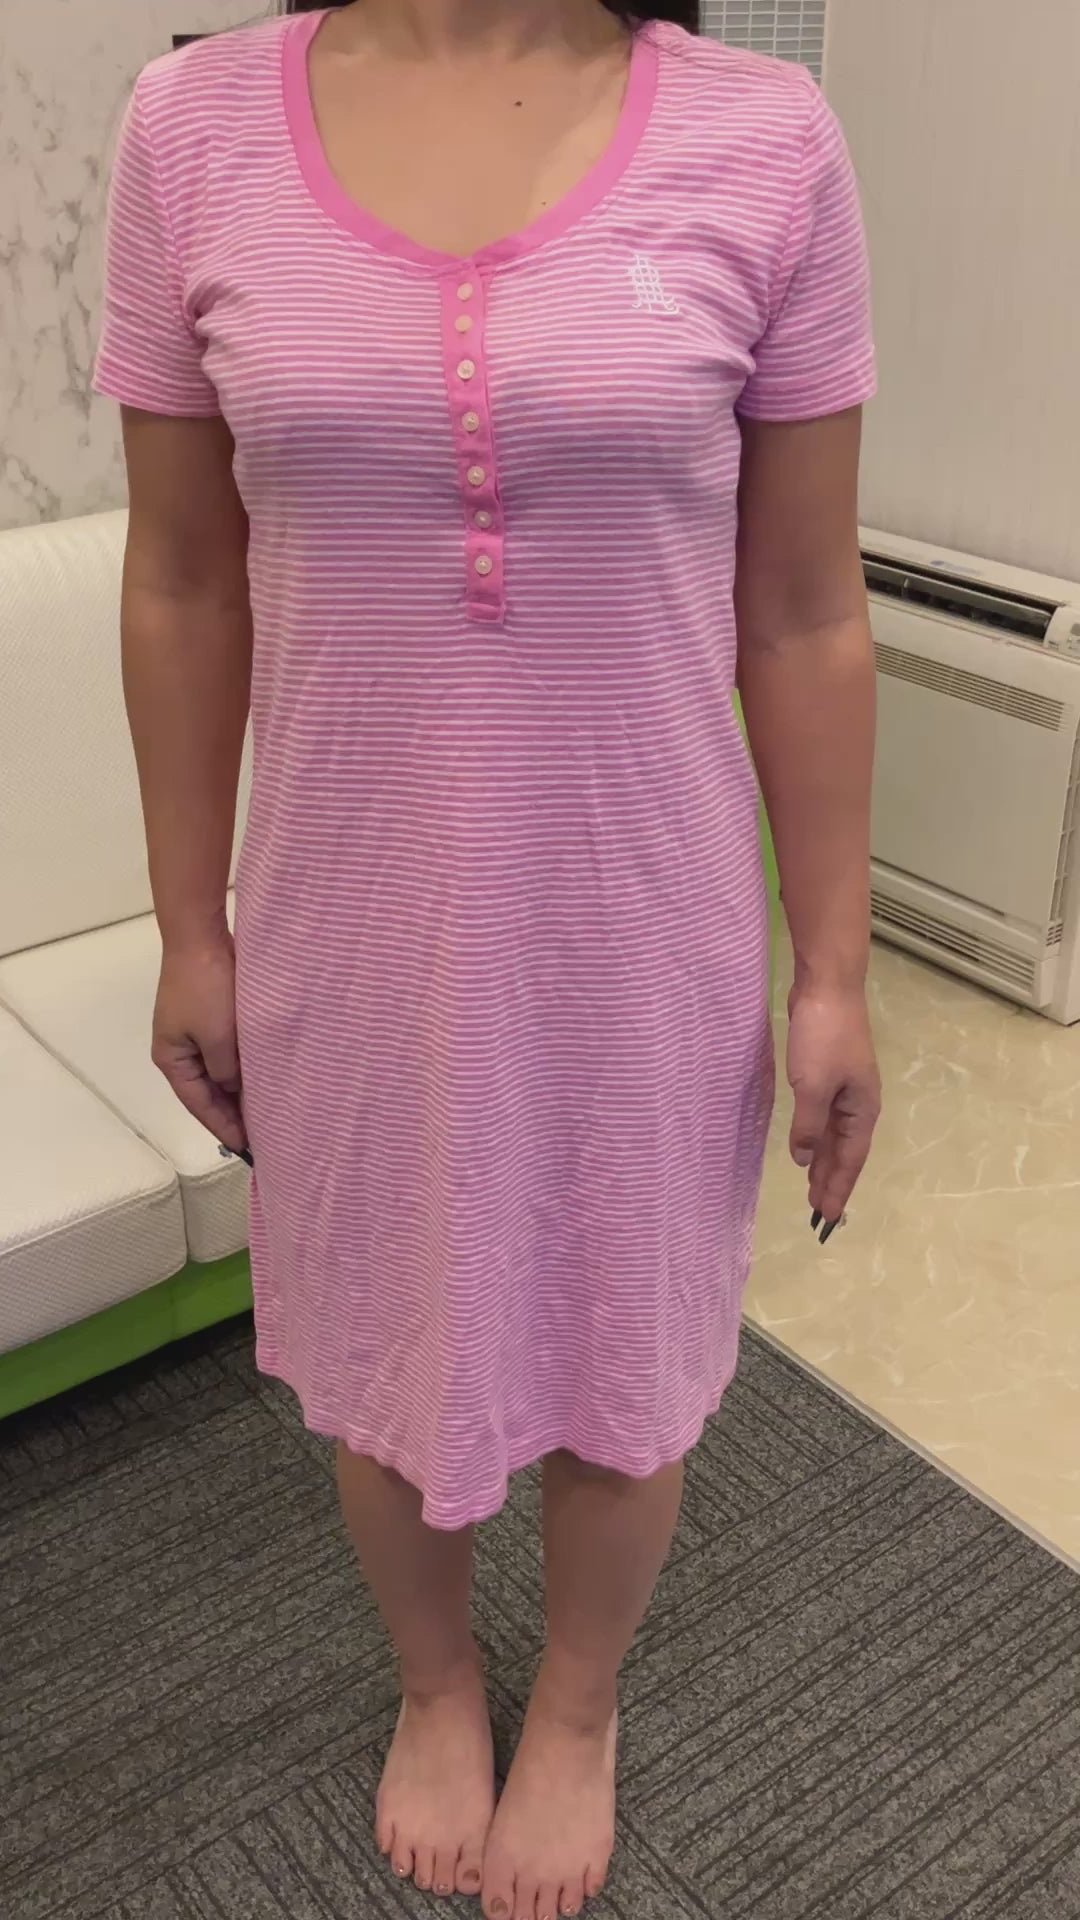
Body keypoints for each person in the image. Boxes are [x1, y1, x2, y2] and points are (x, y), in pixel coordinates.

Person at [94, 1, 881, 1914]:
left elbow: (801, 608)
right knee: (384, 1345)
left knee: (629, 1342)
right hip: (347, 920)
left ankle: (580, 1707)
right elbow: (183, 577)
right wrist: (187, 926)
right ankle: (437, 1682)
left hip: (646, 915)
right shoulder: (191, 127)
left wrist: (837, 971)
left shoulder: (767, 139)